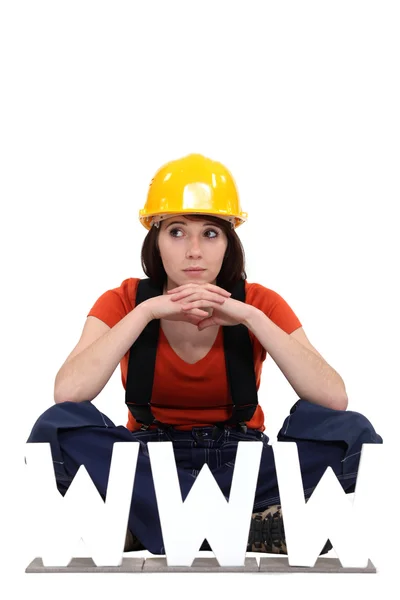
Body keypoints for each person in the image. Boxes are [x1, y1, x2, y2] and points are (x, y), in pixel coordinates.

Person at [27, 153, 382, 556]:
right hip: (148, 462)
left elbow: (334, 398)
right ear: (155, 241)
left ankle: (148, 522)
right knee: (56, 427)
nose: (193, 250)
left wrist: (250, 317)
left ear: (229, 242)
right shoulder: (125, 300)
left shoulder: (259, 302)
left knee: (354, 434)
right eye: (177, 232)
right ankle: (237, 526)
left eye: (210, 233)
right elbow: (68, 392)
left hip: (243, 466)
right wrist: (146, 313)